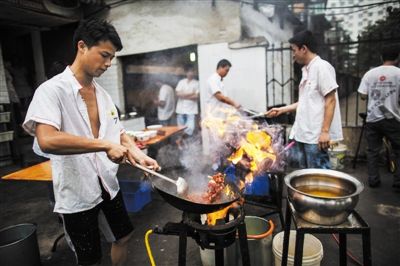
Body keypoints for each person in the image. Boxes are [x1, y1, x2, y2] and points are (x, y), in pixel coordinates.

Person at [23, 18, 160, 266]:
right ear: (82, 46)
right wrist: (104, 146)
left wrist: (136, 153)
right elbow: (47, 139)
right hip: (77, 190)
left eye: (112, 58)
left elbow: (117, 131)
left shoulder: (104, 96)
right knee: (90, 258)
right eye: (104, 55)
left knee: (124, 235)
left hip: (107, 183)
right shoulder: (52, 90)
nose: (108, 63)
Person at [266, 30, 343, 169]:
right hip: (303, 134)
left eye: (294, 50)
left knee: (319, 180)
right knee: (306, 179)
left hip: (315, 138)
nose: (293, 54)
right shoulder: (307, 70)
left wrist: (325, 132)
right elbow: (307, 101)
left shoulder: (322, 67)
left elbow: (331, 100)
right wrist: (282, 109)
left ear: (304, 49)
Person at [357, 45, 400, 189]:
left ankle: (373, 181)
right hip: (393, 119)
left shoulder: (370, 74)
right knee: (398, 150)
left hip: (373, 119)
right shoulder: (398, 73)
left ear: (382, 57)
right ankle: (398, 183)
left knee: (372, 151)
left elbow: (362, 95)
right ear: (397, 58)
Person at [175, 64, 199, 145]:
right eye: (189, 72)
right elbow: (178, 94)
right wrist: (191, 93)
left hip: (191, 110)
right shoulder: (181, 82)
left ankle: (180, 140)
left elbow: (196, 96)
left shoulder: (197, 83)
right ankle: (182, 143)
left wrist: (183, 95)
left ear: (194, 72)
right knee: (180, 129)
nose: (190, 73)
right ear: (186, 73)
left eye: (192, 71)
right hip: (181, 110)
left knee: (190, 128)